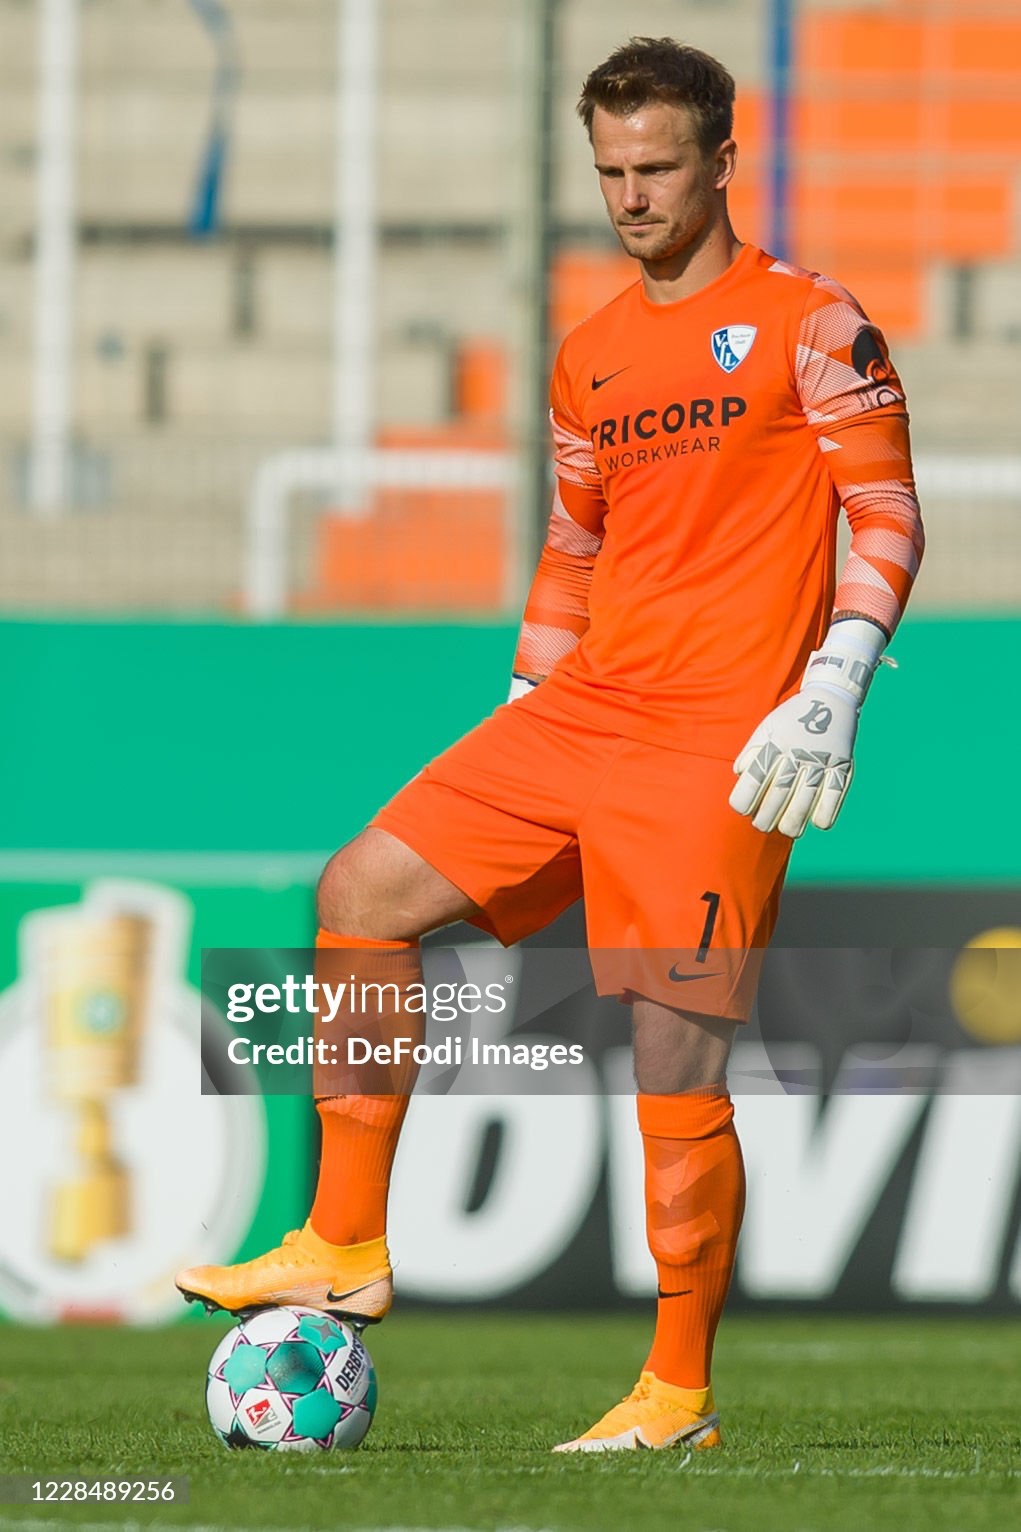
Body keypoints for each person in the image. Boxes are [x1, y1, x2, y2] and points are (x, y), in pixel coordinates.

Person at [178, 37, 924, 1453]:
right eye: (608, 172)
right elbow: (575, 548)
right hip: (582, 716)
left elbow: (886, 515)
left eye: (656, 168)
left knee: (671, 1063)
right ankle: (343, 1240)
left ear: (718, 159)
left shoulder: (813, 322)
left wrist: (834, 678)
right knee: (360, 896)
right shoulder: (589, 353)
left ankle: (675, 1393)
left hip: (720, 741)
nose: (631, 197)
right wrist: (528, 700)